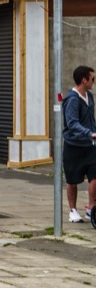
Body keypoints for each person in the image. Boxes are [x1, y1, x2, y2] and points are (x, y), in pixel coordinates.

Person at [62, 65, 96, 223]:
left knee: (94, 176)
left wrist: (93, 132)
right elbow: (72, 123)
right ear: (84, 80)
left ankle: (91, 208)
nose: (93, 82)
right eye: (92, 79)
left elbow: (91, 120)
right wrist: (89, 133)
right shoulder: (72, 99)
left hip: (90, 145)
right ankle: (73, 211)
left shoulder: (89, 96)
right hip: (73, 145)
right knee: (72, 179)